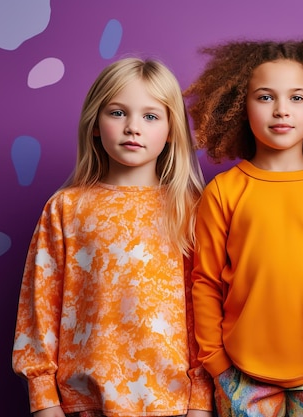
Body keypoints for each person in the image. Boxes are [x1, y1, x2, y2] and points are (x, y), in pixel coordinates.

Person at [12, 58, 213, 417]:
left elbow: (204, 309)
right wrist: (44, 399)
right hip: (85, 404)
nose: (133, 127)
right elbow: (39, 308)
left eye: (150, 116)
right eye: (118, 113)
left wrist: (199, 402)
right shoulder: (66, 208)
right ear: (94, 123)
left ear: (171, 130)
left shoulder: (191, 209)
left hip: (172, 404)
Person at [184, 38, 303, 417]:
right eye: (265, 97)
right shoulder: (222, 192)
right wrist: (217, 363)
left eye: (297, 98)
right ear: (239, 105)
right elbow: (204, 282)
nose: (282, 110)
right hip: (240, 375)